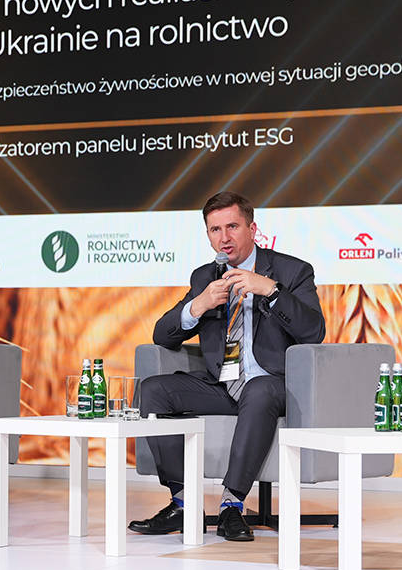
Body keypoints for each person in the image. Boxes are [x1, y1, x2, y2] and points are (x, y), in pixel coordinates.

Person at [130, 191, 325, 541]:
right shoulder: (205, 276)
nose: (224, 237)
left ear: (252, 229)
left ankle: (231, 505)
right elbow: (163, 335)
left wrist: (272, 291)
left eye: (232, 226)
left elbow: (314, 331)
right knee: (153, 391)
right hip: (223, 384)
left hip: (272, 385)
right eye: (215, 230)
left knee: (259, 389)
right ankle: (183, 502)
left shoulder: (292, 271)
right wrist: (198, 305)